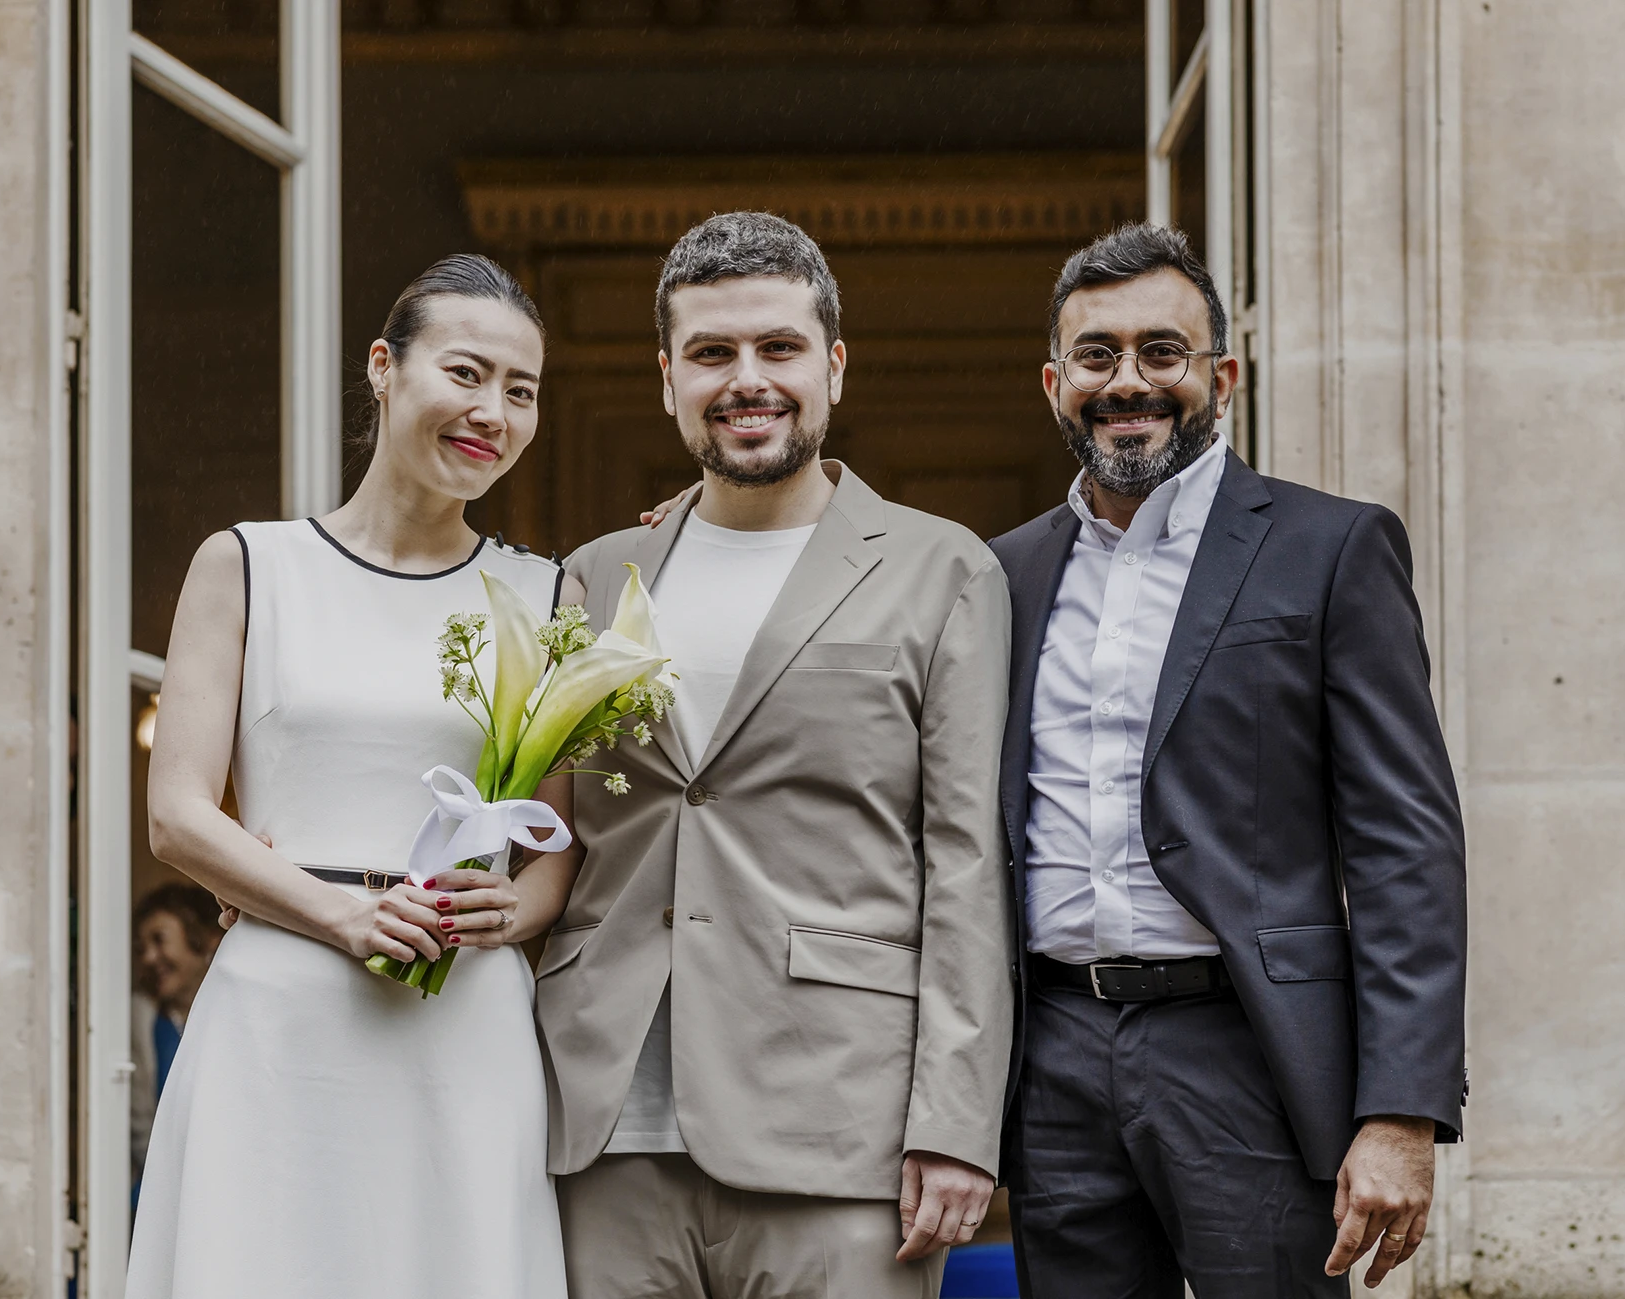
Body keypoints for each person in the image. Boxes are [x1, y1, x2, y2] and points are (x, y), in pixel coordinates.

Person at [537, 212, 1015, 1299]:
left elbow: (967, 866)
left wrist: (955, 1121)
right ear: (668, 378)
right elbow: (545, 830)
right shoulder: (593, 577)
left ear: (833, 367)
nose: (746, 379)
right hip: (599, 1127)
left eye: (779, 348)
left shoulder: (945, 570)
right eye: (712, 352)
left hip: (839, 1128)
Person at [988, 222, 1467, 1296]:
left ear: (1223, 377)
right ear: (1056, 384)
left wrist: (1402, 1109)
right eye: (1098, 355)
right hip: (1053, 1057)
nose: (1129, 382)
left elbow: (1404, 844)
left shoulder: (1331, 548)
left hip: (1250, 1049)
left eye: (1163, 351)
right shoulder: (999, 574)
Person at [126, 255, 573, 1297]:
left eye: (521, 391)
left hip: (463, 1021)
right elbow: (177, 815)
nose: (493, 412)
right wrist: (345, 917)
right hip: (279, 1016)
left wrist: (510, 910)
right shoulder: (248, 565)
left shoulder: (546, 593)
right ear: (383, 366)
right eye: (465, 373)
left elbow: (558, 845)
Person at [129, 884, 222, 1199]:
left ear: (203, 940)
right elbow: (141, 1130)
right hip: (166, 1190)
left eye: (159, 940)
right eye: (141, 948)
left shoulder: (232, 1016)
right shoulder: (143, 1019)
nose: (149, 957)